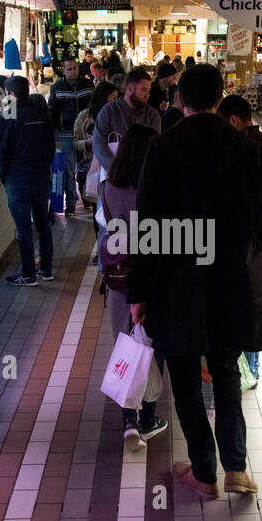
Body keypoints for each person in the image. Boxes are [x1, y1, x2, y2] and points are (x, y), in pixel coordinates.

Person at [128, 65, 262, 499]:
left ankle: (204, 473)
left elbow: (147, 227)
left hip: (178, 285)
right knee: (227, 370)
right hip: (232, 281)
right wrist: (250, 259)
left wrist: (139, 291)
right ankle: (236, 468)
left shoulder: (162, 148)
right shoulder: (247, 148)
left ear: (179, 100)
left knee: (186, 378)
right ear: (219, 99)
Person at [98, 125, 169, 445]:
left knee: (126, 344)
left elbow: (104, 230)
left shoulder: (106, 188)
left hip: (118, 278)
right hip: (151, 278)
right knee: (152, 347)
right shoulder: (155, 191)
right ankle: (147, 417)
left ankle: (127, 420)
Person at [217, 93, 262, 390]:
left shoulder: (248, 149)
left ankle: (250, 370)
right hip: (251, 248)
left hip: (248, 249)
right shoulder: (258, 144)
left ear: (234, 121)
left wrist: (257, 251)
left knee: (249, 311)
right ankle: (249, 368)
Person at [0, 76, 56, 285]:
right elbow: (50, 145)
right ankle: (46, 269)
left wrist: (3, 175)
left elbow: (0, 149)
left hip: (17, 178)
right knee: (43, 224)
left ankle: (28, 273)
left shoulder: (8, 114)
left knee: (23, 228)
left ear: (10, 94)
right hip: (40, 175)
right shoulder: (40, 111)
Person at [94, 68, 161, 177]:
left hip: (141, 179)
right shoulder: (109, 111)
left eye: (149, 90)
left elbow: (153, 148)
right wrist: (115, 171)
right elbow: (98, 144)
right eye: (144, 90)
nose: (148, 95)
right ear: (130, 88)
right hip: (112, 179)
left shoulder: (152, 115)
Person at [48, 58, 93, 214]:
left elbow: (93, 108)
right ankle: (71, 203)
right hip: (65, 134)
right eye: (69, 69)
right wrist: (54, 136)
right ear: (63, 71)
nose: (72, 71)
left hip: (85, 133)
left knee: (86, 166)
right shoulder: (57, 88)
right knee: (68, 171)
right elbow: (52, 112)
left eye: (75, 68)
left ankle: (87, 196)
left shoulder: (88, 85)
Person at [75, 80, 117, 204]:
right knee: (97, 208)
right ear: (103, 97)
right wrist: (88, 143)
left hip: (112, 167)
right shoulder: (84, 116)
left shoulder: (117, 116)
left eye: (117, 98)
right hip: (93, 169)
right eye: (113, 98)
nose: (116, 102)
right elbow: (75, 142)